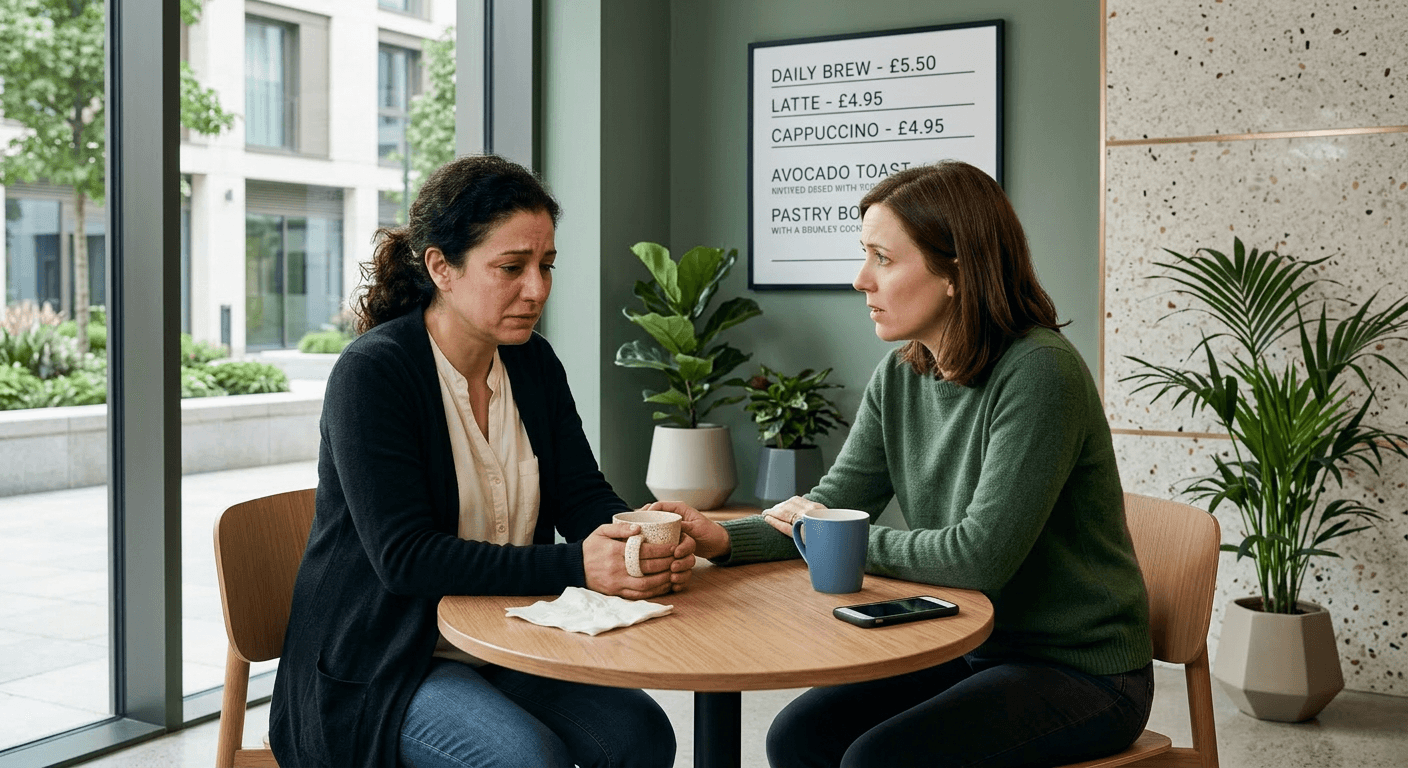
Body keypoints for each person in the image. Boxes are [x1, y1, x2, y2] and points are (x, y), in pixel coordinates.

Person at [654, 161, 1154, 768]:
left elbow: (980, 558)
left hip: (1081, 671)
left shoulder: (1040, 372)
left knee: (879, 760)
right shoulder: (903, 372)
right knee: (798, 737)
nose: (861, 279)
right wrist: (722, 540)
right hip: (968, 646)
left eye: (883, 259)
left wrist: (828, 532)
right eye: (864, 254)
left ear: (956, 273)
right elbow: (832, 502)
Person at [269, 154, 693, 768]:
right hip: (387, 662)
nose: (538, 289)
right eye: (511, 268)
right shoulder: (374, 374)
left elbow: (579, 494)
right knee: (526, 758)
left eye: (546, 266)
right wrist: (580, 564)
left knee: (640, 734)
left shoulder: (531, 362)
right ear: (441, 266)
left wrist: (634, 538)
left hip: (506, 639)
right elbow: (405, 559)